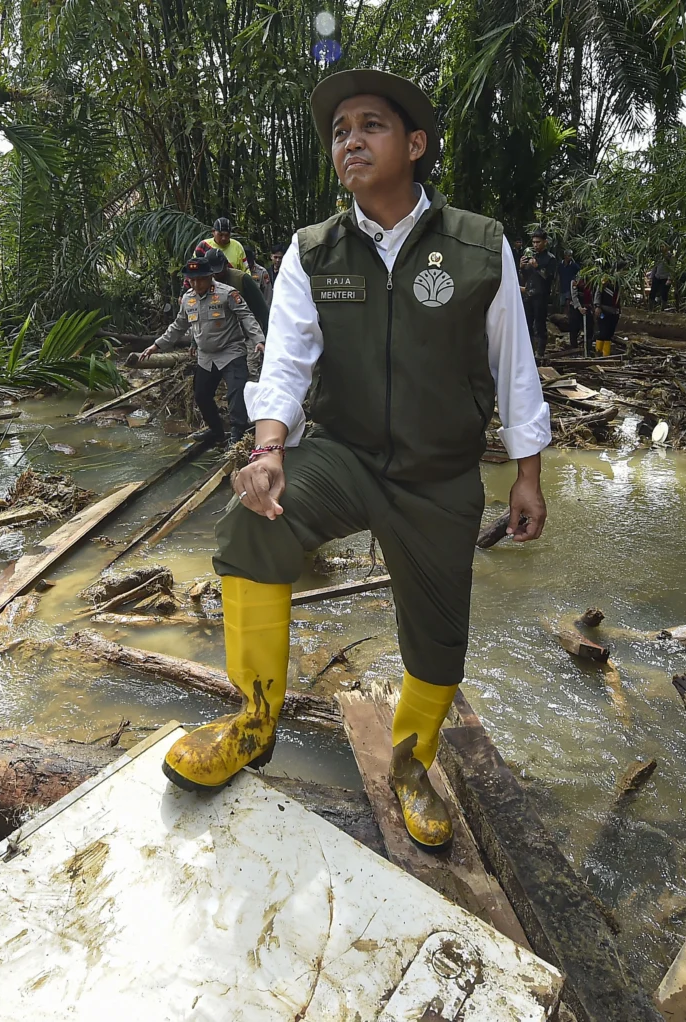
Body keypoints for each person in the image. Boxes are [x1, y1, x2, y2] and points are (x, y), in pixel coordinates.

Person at [161, 68, 550, 852]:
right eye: (340, 131)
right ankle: (252, 722)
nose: (351, 141)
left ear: (414, 145)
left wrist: (528, 472)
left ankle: (412, 765)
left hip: (439, 474)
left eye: (370, 125)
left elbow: (514, 363)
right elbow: (288, 362)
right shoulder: (315, 253)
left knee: (439, 637)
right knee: (251, 528)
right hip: (341, 455)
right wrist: (268, 448)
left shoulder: (476, 247)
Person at [142, 252, 265, 445]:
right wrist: (156, 345)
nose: (196, 285)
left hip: (231, 351)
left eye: (200, 280)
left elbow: (246, 316)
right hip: (206, 357)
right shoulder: (188, 300)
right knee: (201, 395)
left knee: (236, 394)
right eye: (192, 281)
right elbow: (178, 326)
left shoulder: (227, 294)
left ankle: (237, 436)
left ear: (210, 277)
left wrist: (259, 339)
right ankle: (216, 431)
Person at [526, 230, 558, 352]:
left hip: (541, 296)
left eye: (538, 242)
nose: (535, 245)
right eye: (533, 242)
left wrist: (537, 266)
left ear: (545, 242)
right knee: (527, 325)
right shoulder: (532, 256)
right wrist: (522, 267)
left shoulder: (550, 258)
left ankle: (540, 353)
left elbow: (549, 277)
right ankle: (529, 352)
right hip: (529, 295)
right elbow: (527, 276)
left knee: (539, 325)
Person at [594, 267, 622, 357]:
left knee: (609, 334)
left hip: (614, 311)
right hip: (604, 310)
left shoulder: (621, 282)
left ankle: (606, 355)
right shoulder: (606, 280)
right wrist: (597, 306)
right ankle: (598, 353)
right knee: (603, 333)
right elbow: (598, 292)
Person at [568, 270, 594, 351]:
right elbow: (574, 296)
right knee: (574, 327)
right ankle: (574, 348)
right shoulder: (575, 281)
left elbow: (592, 295)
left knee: (589, 328)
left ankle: (588, 348)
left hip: (587, 307)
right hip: (576, 307)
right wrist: (579, 308)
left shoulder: (591, 282)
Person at [557, 250, 579, 320]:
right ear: (565, 256)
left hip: (570, 287)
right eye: (568, 256)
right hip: (563, 286)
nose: (570, 257)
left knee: (568, 302)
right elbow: (558, 275)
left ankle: (568, 318)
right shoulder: (560, 265)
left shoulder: (574, 265)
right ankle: (563, 317)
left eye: (571, 256)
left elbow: (579, 273)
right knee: (562, 304)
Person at [649, 244, 672, 311]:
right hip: (657, 276)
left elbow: (672, 268)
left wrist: (670, 279)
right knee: (652, 293)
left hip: (665, 278)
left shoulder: (670, 257)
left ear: (667, 247)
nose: (661, 248)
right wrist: (651, 277)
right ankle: (650, 309)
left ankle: (662, 310)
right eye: (660, 246)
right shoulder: (658, 256)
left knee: (664, 294)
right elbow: (655, 267)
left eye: (663, 246)